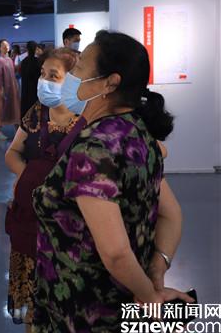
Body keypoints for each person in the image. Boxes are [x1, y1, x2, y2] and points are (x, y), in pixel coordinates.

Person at [31, 31, 193, 332]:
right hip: (123, 298)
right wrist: (155, 273)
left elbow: (116, 252)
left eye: (80, 68)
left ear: (109, 83)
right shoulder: (137, 132)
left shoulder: (93, 149)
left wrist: (150, 298)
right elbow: (171, 214)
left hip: (87, 310)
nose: (72, 77)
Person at [4, 48, 84, 327]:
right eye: (42, 74)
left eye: (53, 76)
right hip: (30, 218)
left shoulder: (87, 119)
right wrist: (33, 176)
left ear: (73, 81)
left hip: (68, 225)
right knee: (32, 304)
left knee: (65, 304)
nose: (44, 82)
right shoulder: (37, 113)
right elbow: (12, 153)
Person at [0, 39, 21, 140]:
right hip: (2, 89)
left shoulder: (9, 60)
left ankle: (18, 133)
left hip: (12, 90)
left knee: (15, 111)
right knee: (0, 112)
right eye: (3, 45)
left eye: (7, 45)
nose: (6, 47)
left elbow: (12, 75)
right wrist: (2, 90)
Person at [20, 41, 42, 118]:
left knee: (26, 109)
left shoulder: (24, 61)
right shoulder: (38, 61)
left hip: (25, 90)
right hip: (35, 90)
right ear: (36, 49)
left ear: (27, 49)